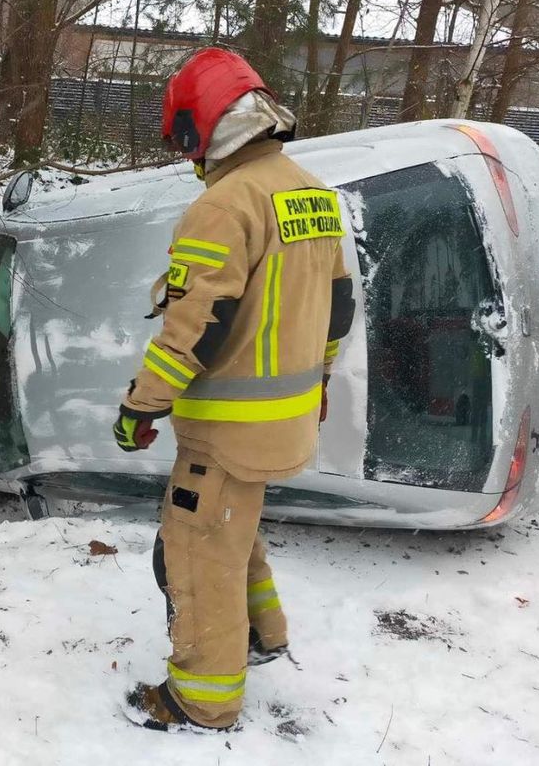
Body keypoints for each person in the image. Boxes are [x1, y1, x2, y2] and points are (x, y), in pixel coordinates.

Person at [112, 48, 355, 732]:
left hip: (225, 427)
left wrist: (141, 404)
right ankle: (260, 633)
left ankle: (204, 697)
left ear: (201, 128)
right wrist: (322, 385)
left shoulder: (224, 205)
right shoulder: (311, 192)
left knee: (194, 549)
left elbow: (197, 325)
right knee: (232, 526)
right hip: (287, 420)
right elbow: (339, 309)